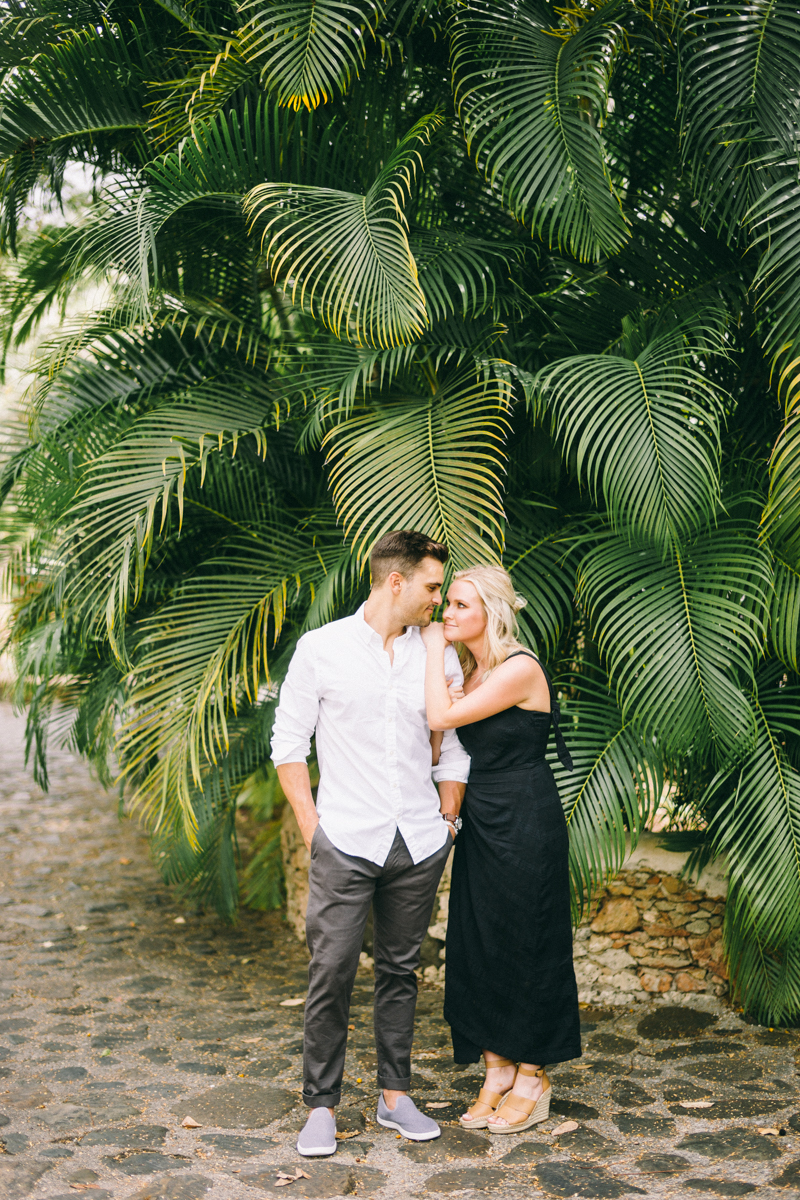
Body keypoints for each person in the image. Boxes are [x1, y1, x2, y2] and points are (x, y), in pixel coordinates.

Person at [271, 530, 470, 1157]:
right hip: (346, 840)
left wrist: (447, 816)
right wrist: (313, 829)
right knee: (330, 971)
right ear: (396, 582)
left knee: (400, 972)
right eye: (433, 587)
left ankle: (394, 1096)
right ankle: (321, 1106)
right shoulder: (321, 649)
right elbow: (287, 744)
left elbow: (454, 737)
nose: (439, 601)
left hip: (417, 838)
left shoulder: (435, 653)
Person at [421, 563, 581, 1135]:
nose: (448, 614)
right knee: (478, 938)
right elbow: (440, 737)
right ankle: (495, 1069)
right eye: (448, 605)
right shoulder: (472, 670)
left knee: (528, 939)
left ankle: (534, 1075)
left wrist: (432, 648)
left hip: (526, 815)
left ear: (492, 610)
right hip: (482, 816)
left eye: (461, 605)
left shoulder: (518, 668)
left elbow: (439, 715)